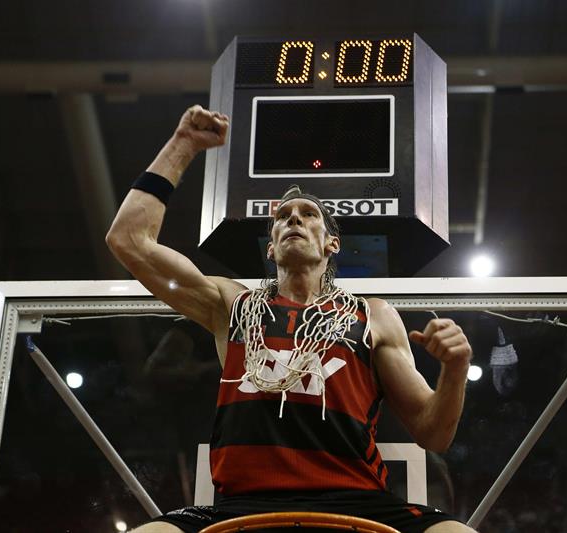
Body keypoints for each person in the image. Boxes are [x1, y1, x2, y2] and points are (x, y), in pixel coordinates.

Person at [106, 105, 477, 533]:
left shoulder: (371, 314)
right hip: (243, 503)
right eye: (282, 216)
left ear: (332, 244)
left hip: (360, 502)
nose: (293, 218)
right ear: (271, 246)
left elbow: (434, 434)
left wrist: (455, 369)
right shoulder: (232, 304)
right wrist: (183, 144)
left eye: (308, 214)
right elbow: (128, 240)